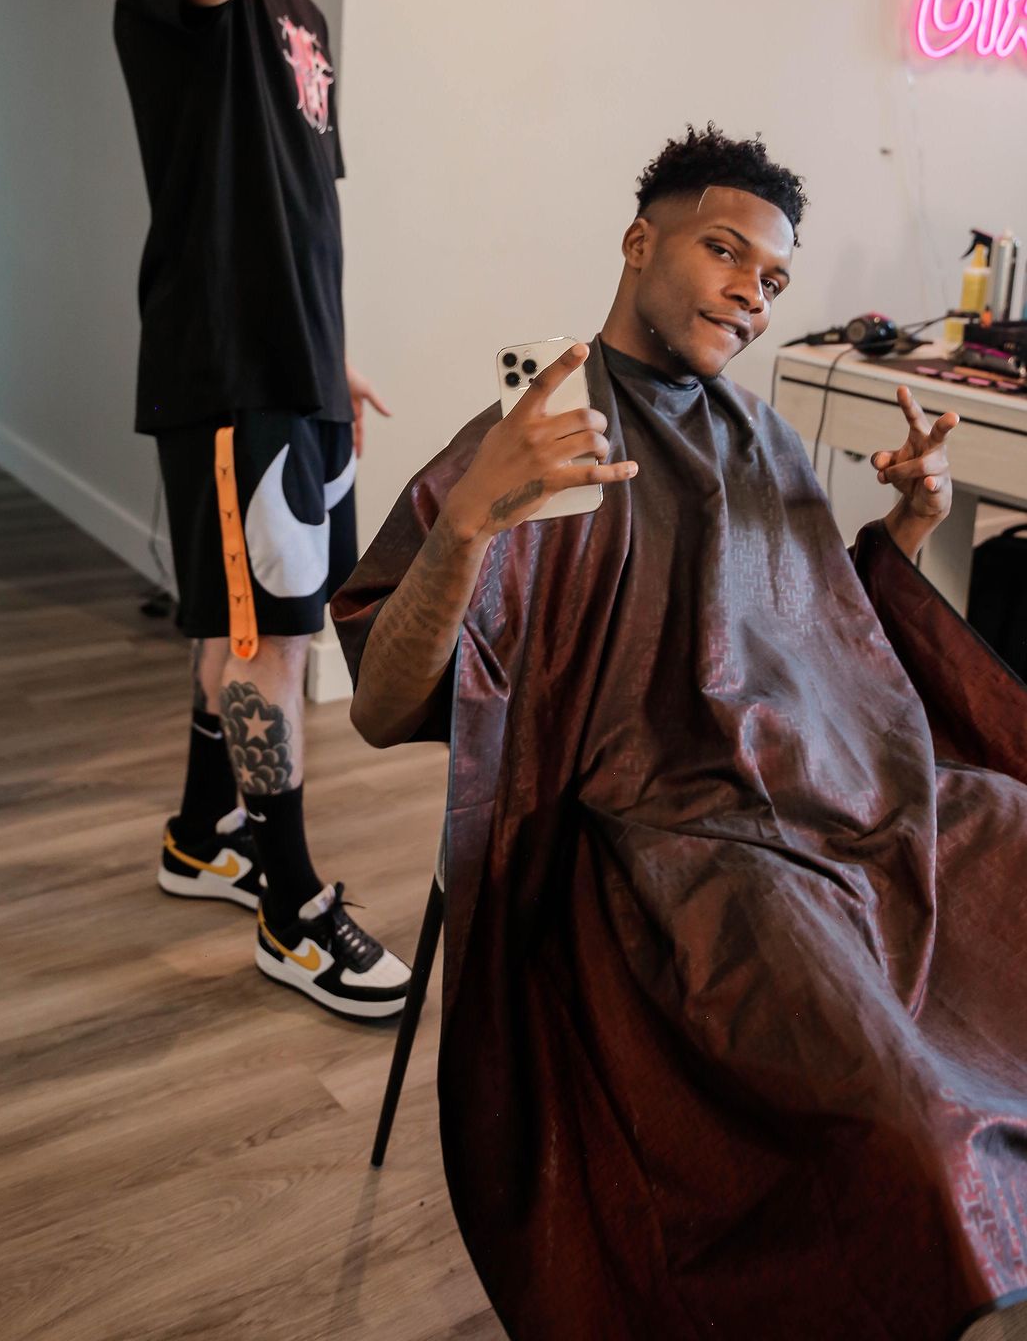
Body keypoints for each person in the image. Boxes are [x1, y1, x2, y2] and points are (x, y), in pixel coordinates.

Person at [333, 124, 1027, 1338]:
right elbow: (384, 707)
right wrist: (469, 527)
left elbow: (821, 630)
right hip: (673, 837)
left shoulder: (760, 438)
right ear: (638, 242)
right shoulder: (532, 437)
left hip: (836, 792)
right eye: (726, 251)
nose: (753, 293)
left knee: (1010, 827)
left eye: (775, 278)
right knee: (905, 1115)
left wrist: (909, 529)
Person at [115, 0, 431, 1019]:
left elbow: (304, 203)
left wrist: (332, 356)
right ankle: (291, 910)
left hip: (295, 367)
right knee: (275, 645)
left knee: (245, 622)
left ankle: (205, 837)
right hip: (229, 365)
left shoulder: (301, 13)